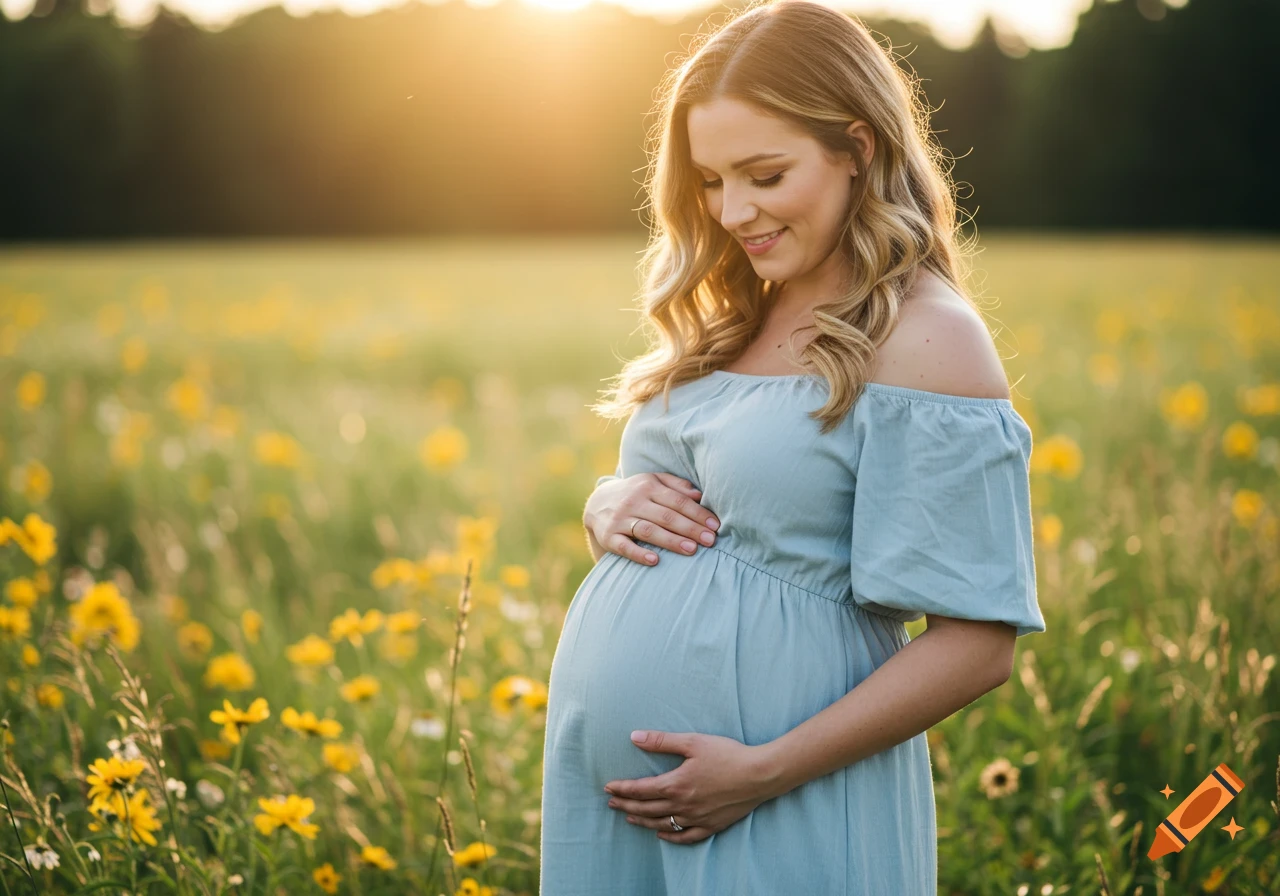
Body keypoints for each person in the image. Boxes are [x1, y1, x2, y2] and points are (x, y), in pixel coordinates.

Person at [539, 1, 1046, 892]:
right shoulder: (733, 310)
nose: (733, 210)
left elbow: (978, 641)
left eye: (764, 174)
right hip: (621, 816)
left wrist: (761, 772)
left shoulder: (927, 338)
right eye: (708, 181)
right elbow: (691, 512)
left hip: (784, 800)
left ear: (859, 147)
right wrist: (605, 503)